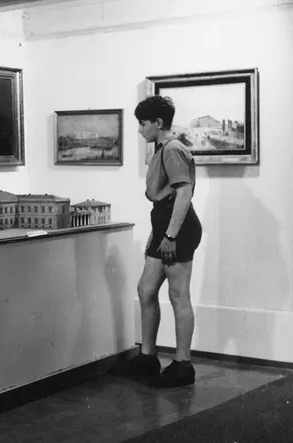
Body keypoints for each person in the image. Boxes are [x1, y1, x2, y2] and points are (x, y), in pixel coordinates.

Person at [111, 95, 202, 388]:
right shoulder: (163, 148)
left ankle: (183, 365)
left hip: (178, 228)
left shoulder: (172, 149)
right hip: (164, 225)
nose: (140, 130)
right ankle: (147, 358)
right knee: (146, 289)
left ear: (158, 123)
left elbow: (183, 194)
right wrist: (158, 234)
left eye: (143, 123)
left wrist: (170, 236)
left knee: (178, 295)